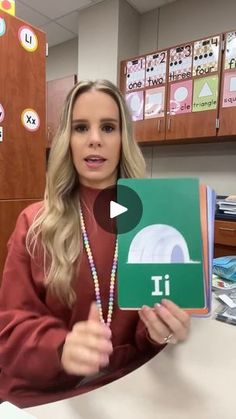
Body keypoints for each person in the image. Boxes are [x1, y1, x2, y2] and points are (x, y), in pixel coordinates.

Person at [0, 80, 190, 408]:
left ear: (123, 139)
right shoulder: (34, 224)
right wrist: (61, 347)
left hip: (131, 388)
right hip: (51, 398)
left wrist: (161, 332)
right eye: (80, 127)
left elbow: (150, 323)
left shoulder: (154, 220)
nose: (95, 140)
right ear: (67, 141)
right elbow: (10, 330)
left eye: (108, 127)